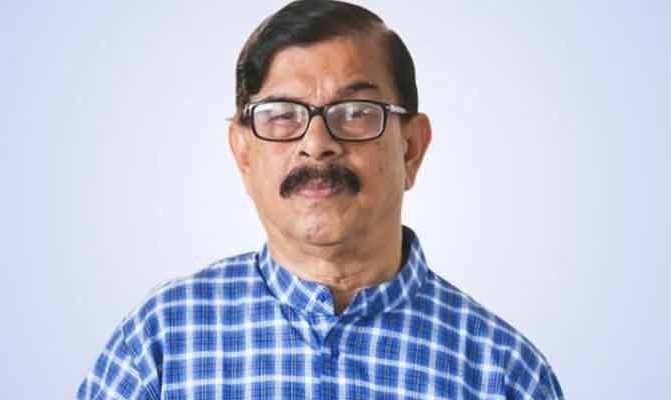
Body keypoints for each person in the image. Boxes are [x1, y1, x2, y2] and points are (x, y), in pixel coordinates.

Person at [77, 1, 564, 399]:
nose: (317, 144)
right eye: (282, 114)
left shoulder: (502, 373)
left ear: (411, 148)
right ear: (243, 153)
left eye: (354, 111)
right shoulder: (163, 341)